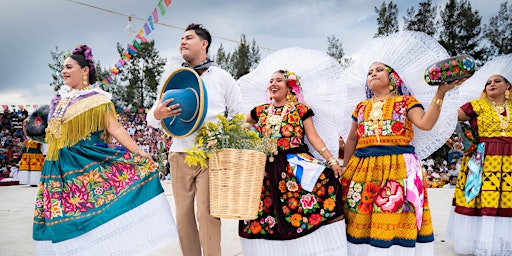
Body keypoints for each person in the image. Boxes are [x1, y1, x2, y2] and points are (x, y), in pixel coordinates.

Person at [33, 44, 177, 255]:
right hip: (57, 167)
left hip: (86, 161)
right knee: (63, 219)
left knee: (93, 216)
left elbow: (114, 127)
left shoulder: (97, 99)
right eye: (63, 67)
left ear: (84, 71)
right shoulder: (58, 100)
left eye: (69, 67)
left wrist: (138, 151)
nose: (64, 71)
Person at [341, 61, 460, 255]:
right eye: (370, 72)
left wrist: (440, 94)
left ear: (393, 78)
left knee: (392, 214)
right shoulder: (361, 107)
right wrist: (346, 169)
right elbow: (352, 138)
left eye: (379, 70)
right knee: (360, 215)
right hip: (363, 168)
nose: (373, 74)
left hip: (398, 167)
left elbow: (425, 123)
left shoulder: (406, 101)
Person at [147, 23, 243, 256]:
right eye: (181, 38)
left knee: (207, 214)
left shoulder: (221, 77)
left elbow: (239, 113)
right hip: (180, 153)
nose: (182, 42)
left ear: (204, 44)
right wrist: (158, 115)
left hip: (211, 154)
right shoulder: (175, 79)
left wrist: (226, 140)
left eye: (188, 38)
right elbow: (152, 117)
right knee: (183, 217)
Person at [239, 70, 347, 255]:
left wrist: (331, 161)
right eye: (271, 80)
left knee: (326, 186)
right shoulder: (260, 111)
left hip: (294, 164)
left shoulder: (301, 110)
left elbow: (314, 138)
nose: (273, 83)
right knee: (265, 214)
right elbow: (239, 126)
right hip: (266, 169)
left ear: (290, 87)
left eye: (279, 80)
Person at [446, 54, 512, 256]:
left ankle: (504, 245)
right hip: (484, 158)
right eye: (488, 82)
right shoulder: (476, 105)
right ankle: (481, 245)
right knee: (483, 200)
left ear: (508, 85)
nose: (491, 84)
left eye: (497, 80)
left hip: (510, 159)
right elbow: (447, 116)